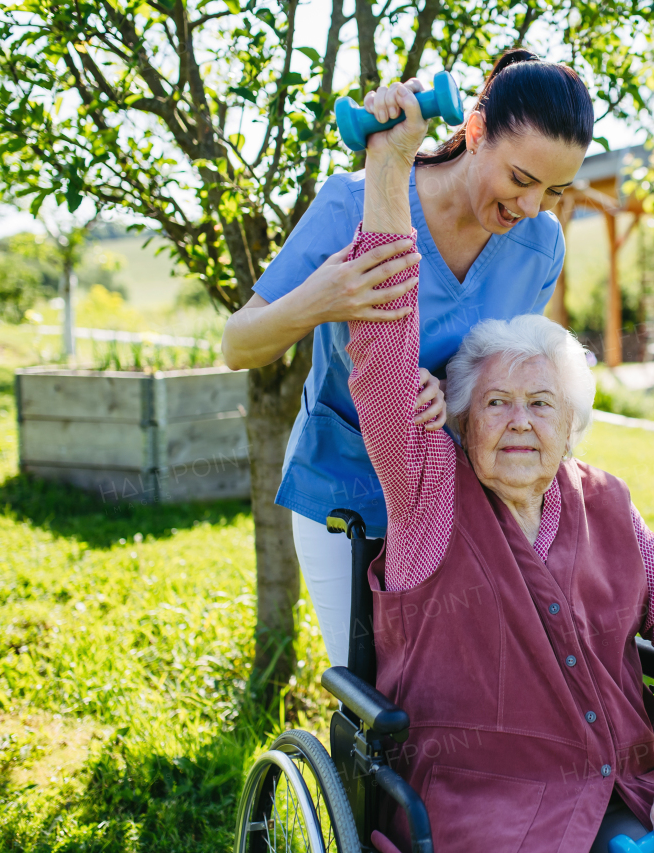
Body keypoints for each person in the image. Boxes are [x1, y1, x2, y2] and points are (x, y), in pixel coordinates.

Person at [340, 100, 654, 853]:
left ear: (570, 425)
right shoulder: (429, 493)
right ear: (460, 420)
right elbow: (384, 357)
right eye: (496, 402)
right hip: (486, 811)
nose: (520, 421)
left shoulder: (606, 502)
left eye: (541, 403)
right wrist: (388, 169)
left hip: (624, 788)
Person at [221, 48, 593, 668]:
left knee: (451, 679)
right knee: (372, 685)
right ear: (474, 133)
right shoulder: (352, 204)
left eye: (554, 190)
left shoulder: (539, 244)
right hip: (342, 487)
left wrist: (456, 399)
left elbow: (501, 368)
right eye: (522, 180)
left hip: (449, 493)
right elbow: (238, 344)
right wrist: (319, 301)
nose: (531, 208)